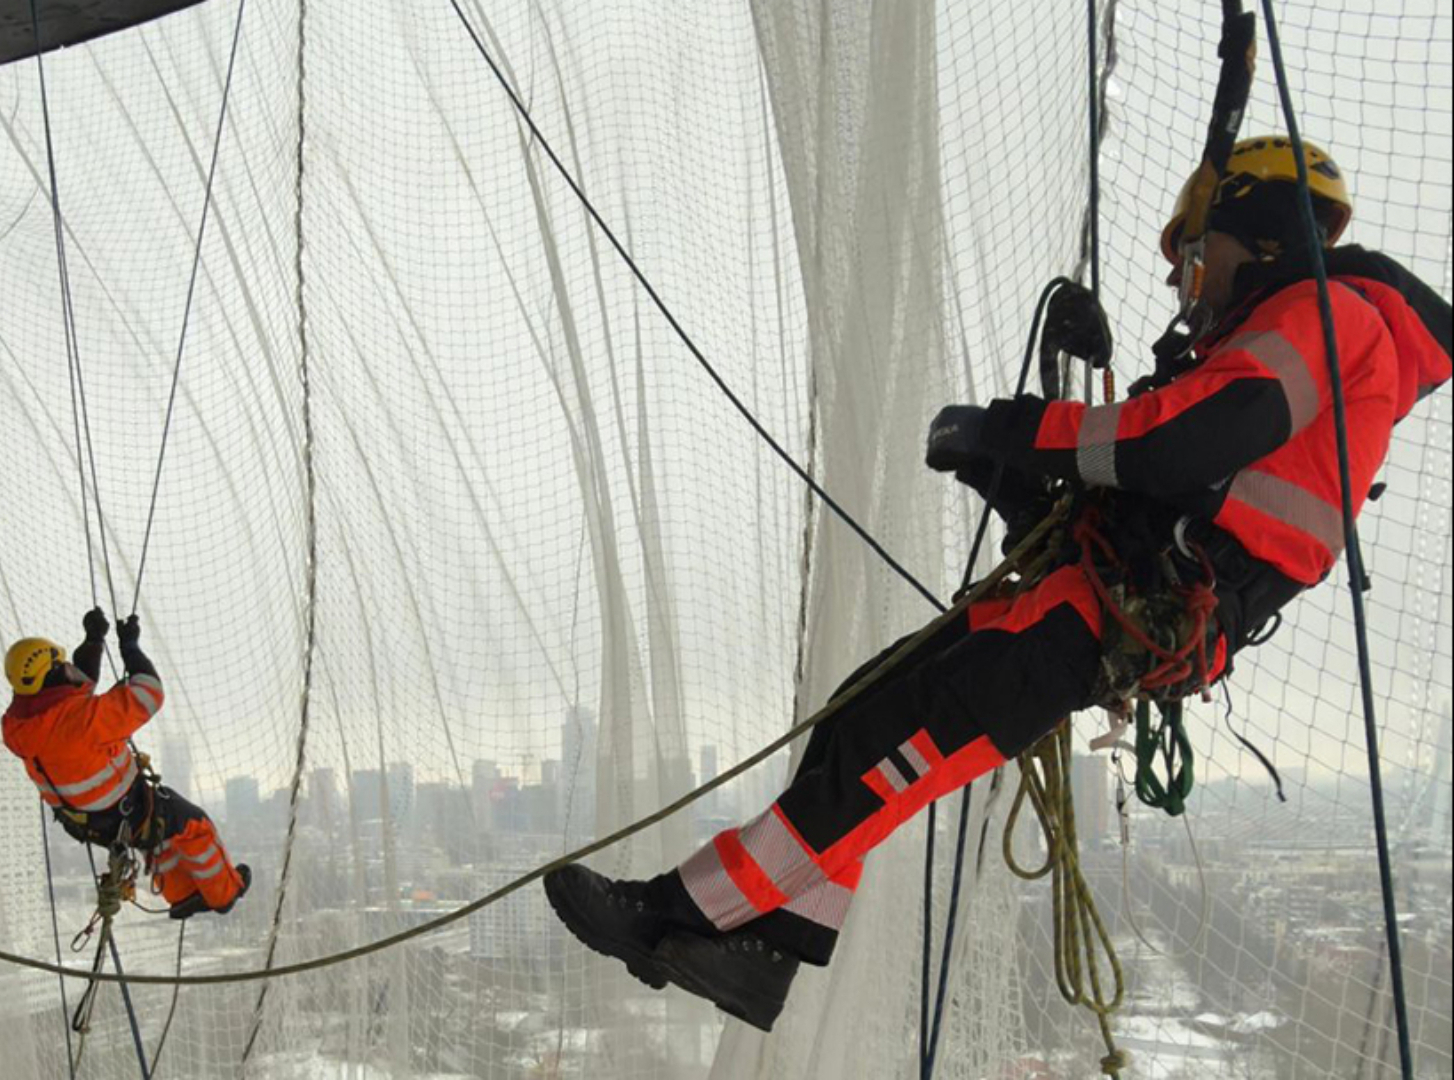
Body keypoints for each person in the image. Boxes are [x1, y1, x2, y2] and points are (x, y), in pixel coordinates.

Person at [542, 136, 1451, 1030]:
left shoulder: (1331, 321)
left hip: (1123, 616)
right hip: (1096, 600)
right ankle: (761, 949)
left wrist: (1017, 430)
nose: (1183, 280)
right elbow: (1163, 479)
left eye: (1193, 251)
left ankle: (681, 916)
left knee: (887, 750)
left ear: (1253, 228)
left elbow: (1173, 443)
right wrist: (1007, 473)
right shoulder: (1287, 333)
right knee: (864, 715)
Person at [2, 607, 250, 918]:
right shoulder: (85, 721)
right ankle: (225, 893)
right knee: (194, 826)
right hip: (123, 813)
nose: (68, 666)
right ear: (51, 672)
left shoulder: (17, 726)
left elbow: (72, 695)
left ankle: (184, 894)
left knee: (160, 838)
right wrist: (130, 649)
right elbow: (149, 693)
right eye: (61, 664)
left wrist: (93, 641)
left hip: (82, 823)